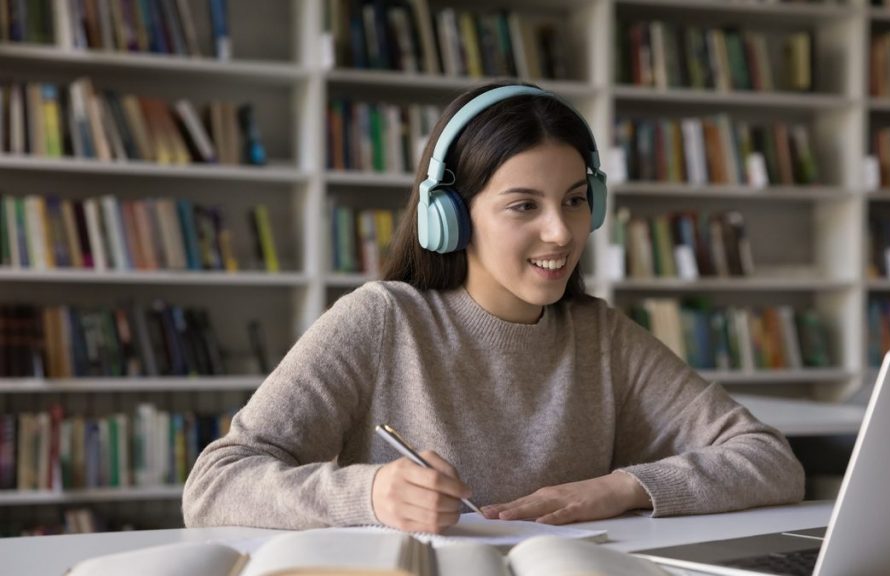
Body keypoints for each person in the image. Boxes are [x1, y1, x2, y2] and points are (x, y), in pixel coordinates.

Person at [182, 81, 804, 534]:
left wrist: (622, 488)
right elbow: (215, 484)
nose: (561, 232)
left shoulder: (602, 336)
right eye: (524, 205)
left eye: (575, 200)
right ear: (450, 217)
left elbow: (770, 459)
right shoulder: (382, 320)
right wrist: (369, 493)